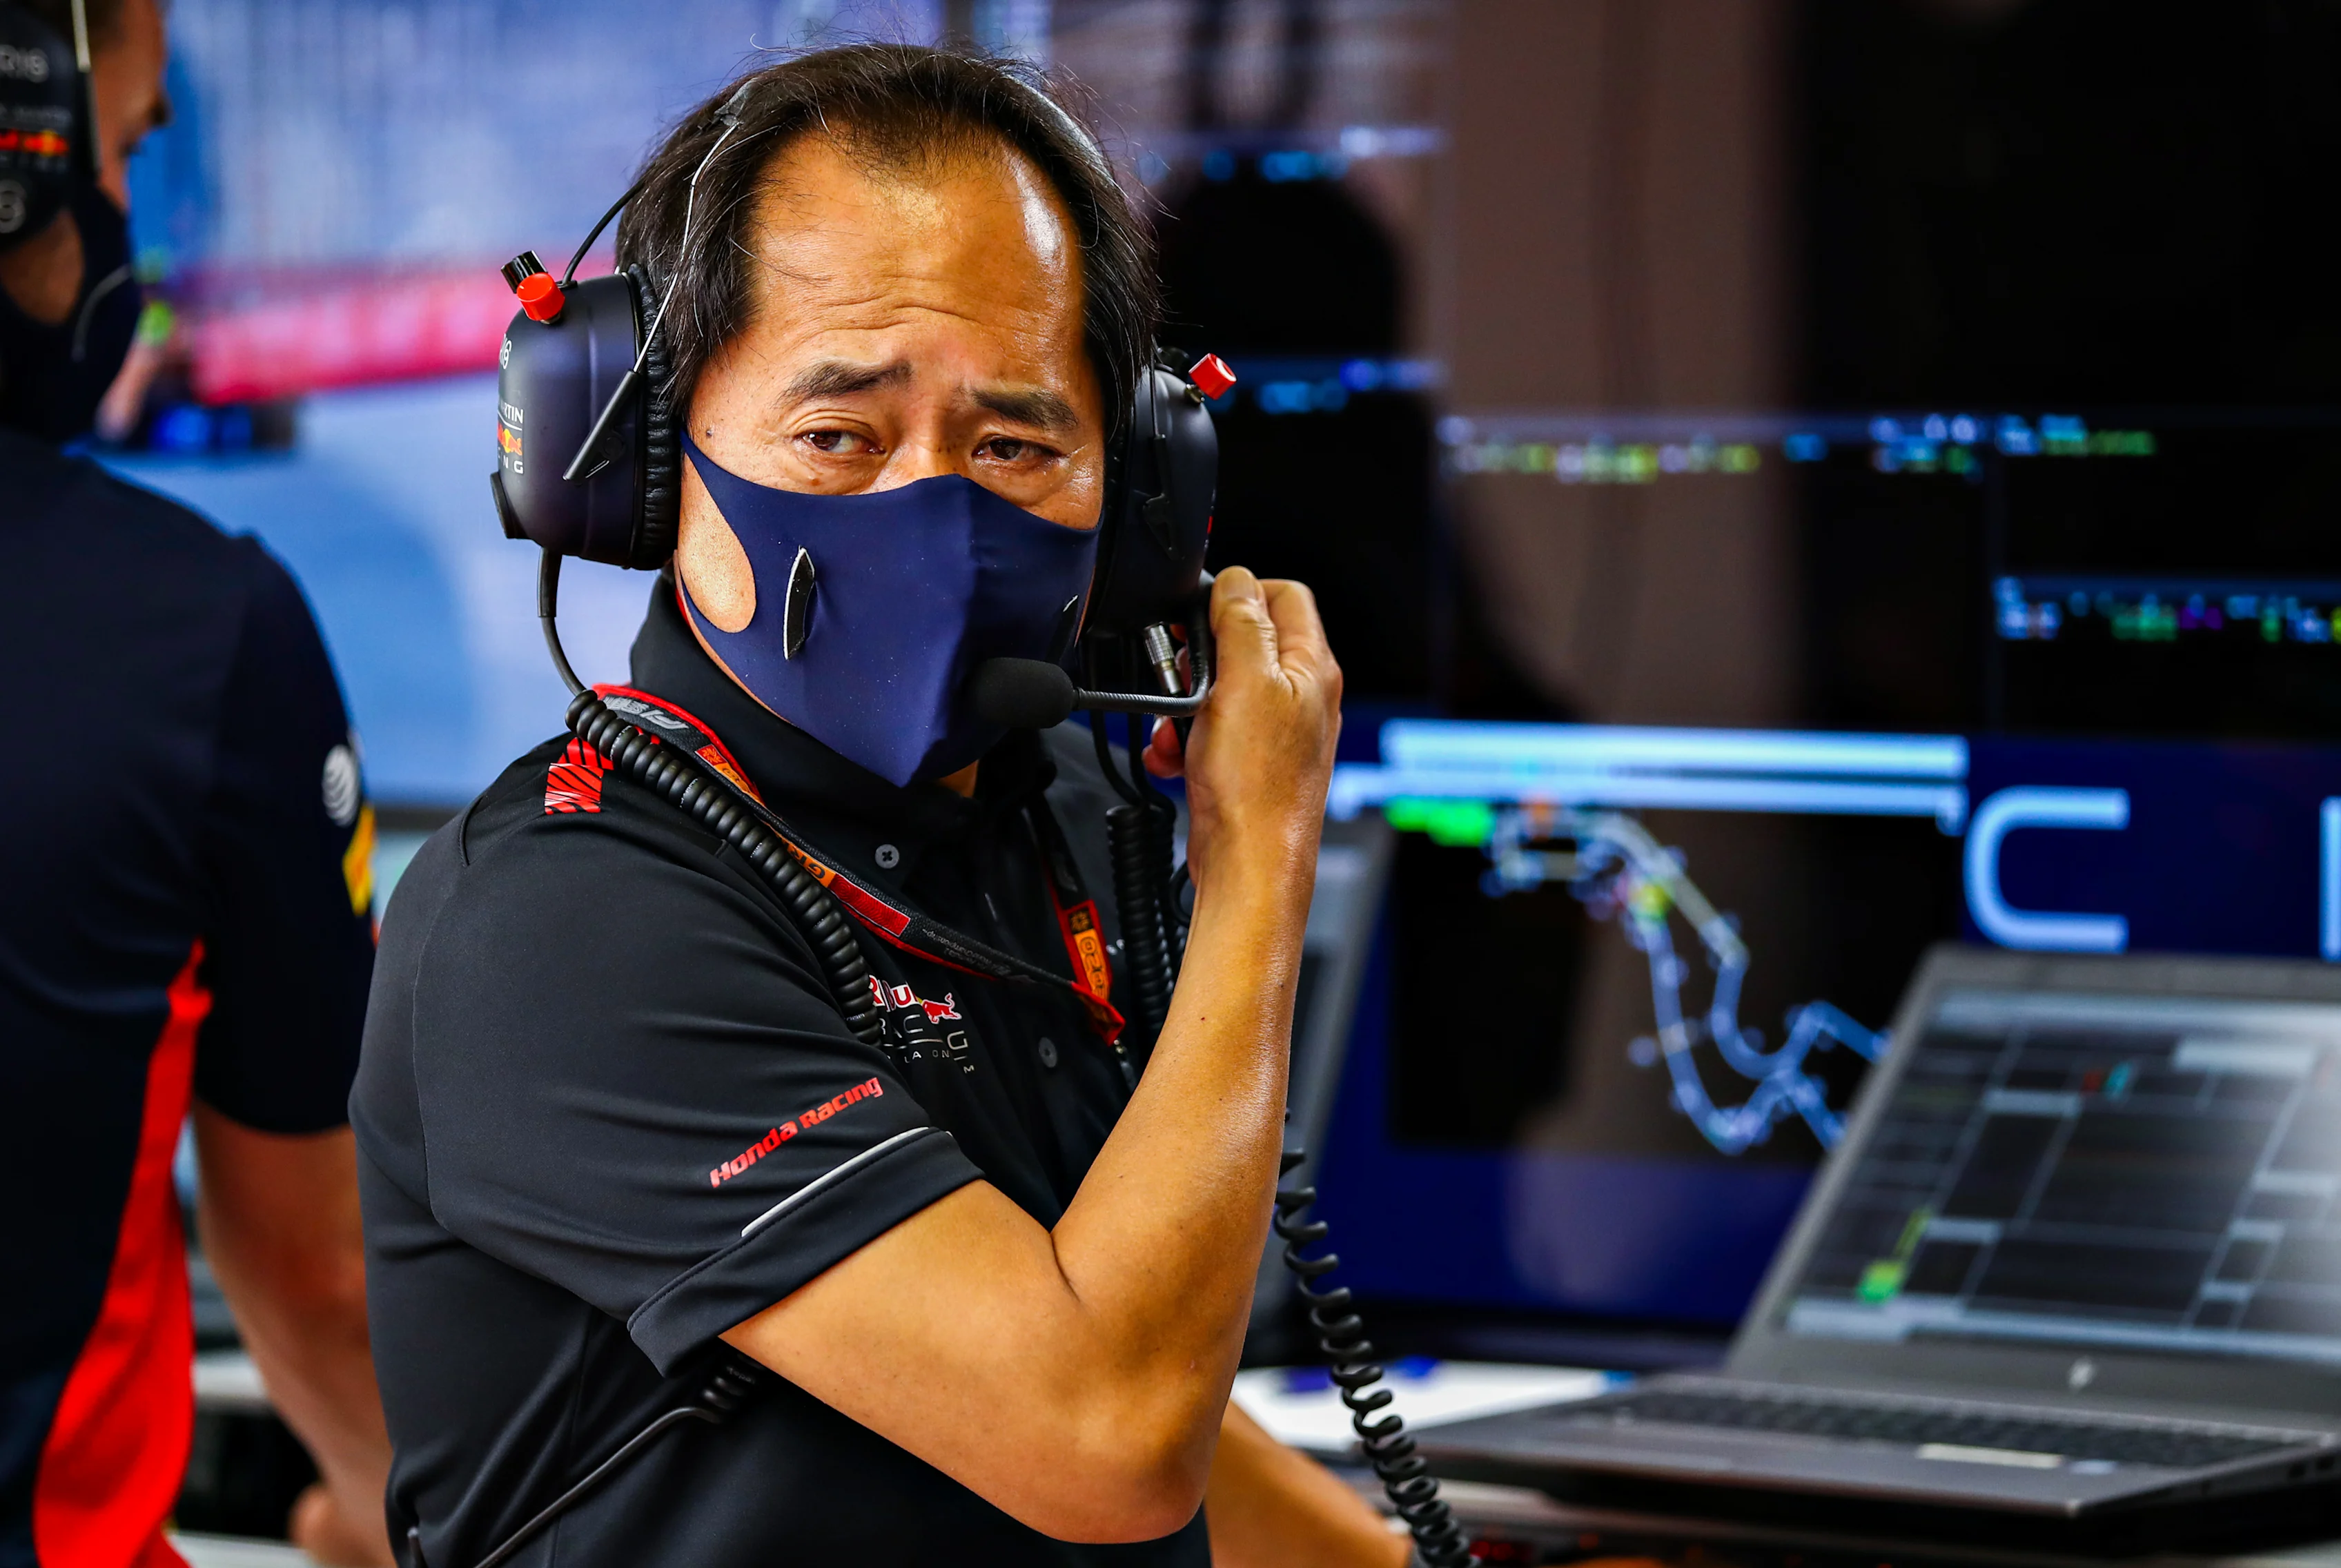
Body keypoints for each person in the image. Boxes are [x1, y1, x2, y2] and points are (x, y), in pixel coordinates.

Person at [355, 42, 1411, 1568]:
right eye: (838, 436)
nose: (934, 510)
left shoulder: (1071, 814)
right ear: (638, 453)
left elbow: (1103, 1335)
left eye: (1013, 445)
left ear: (1140, 492)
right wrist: (1258, 863)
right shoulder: (563, 918)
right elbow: (1102, 1435)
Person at [0, 1, 395, 1562]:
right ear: (24, 133)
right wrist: (390, 1517)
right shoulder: (200, 630)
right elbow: (316, 1279)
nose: (129, 220)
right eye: (125, 147)